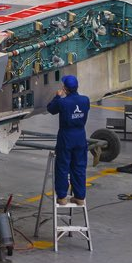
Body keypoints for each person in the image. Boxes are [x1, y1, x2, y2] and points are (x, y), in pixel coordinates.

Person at [46, 73, 91, 205]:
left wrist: (57, 96)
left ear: (65, 88)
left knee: (63, 166)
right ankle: (80, 197)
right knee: (79, 167)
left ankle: (62, 197)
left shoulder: (62, 102)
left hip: (66, 137)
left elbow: (51, 109)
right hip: (80, 136)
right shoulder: (85, 100)